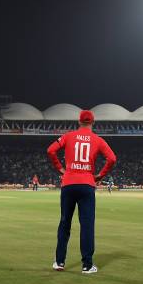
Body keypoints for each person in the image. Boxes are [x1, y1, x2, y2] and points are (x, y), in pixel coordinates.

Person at [47, 110, 116, 274]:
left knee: (65, 222)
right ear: (93, 122)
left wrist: (61, 169)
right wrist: (100, 175)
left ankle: (59, 262)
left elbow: (50, 150)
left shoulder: (68, 136)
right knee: (87, 225)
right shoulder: (98, 140)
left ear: (79, 122)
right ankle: (87, 265)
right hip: (87, 184)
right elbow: (112, 159)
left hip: (69, 182)